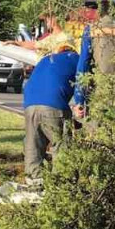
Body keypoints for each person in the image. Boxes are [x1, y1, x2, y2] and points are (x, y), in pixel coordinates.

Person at [21, 32, 88, 185]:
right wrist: (79, 105)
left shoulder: (45, 60)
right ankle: (63, 185)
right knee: (62, 145)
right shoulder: (76, 59)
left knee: (34, 145)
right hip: (53, 106)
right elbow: (81, 83)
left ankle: (34, 183)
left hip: (29, 105)